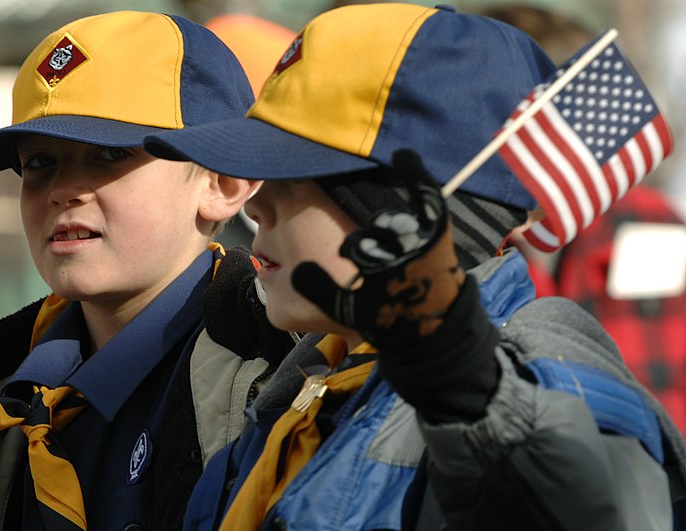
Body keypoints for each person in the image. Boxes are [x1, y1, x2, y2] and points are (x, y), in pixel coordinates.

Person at [143, 3, 686, 529]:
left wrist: (475, 405)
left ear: (400, 209)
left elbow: (600, 510)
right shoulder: (308, 383)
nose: (255, 204)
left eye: (289, 173)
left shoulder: (534, 382)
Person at [0, 11, 296, 531]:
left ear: (222, 184)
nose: (63, 190)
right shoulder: (9, 380)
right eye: (38, 163)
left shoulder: (282, 367)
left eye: (108, 153)